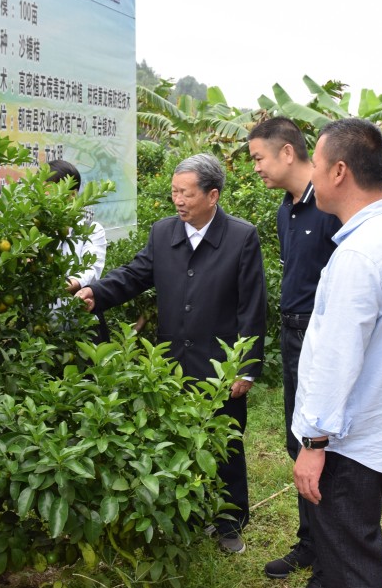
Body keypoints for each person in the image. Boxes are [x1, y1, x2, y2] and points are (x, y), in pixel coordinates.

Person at [76, 153, 267, 554]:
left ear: (212, 195)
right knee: (175, 441)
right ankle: (189, 517)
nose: (178, 200)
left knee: (224, 443)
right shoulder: (164, 233)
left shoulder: (240, 237)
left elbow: (252, 307)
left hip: (219, 364)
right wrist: (97, 292)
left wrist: (246, 368)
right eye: (174, 192)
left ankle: (230, 521)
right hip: (172, 361)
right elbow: (135, 274)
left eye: (186, 193)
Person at [292, 118, 382, 588]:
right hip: (377, 427)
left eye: (316, 165)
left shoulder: (361, 254)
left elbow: (337, 359)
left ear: (340, 171)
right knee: (338, 556)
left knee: (352, 565)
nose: (311, 177)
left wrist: (314, 444)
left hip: (349, 443)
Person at [247, 117, 340, 580]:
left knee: (323, 440)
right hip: (292, 333)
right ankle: (310, 542)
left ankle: (331, 548)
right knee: (296, 438)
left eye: (259, 158)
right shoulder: (287, 210)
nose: (257, 168)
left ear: (287, 152)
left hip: (322, 336)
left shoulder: (330, 206)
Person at [47, 160, 109, 343]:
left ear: (72, 195)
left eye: (51, 191)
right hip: (40, 332)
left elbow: (90, 271)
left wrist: (59, 286)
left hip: (82, 329)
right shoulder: (33, 232)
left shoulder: (91, 229)